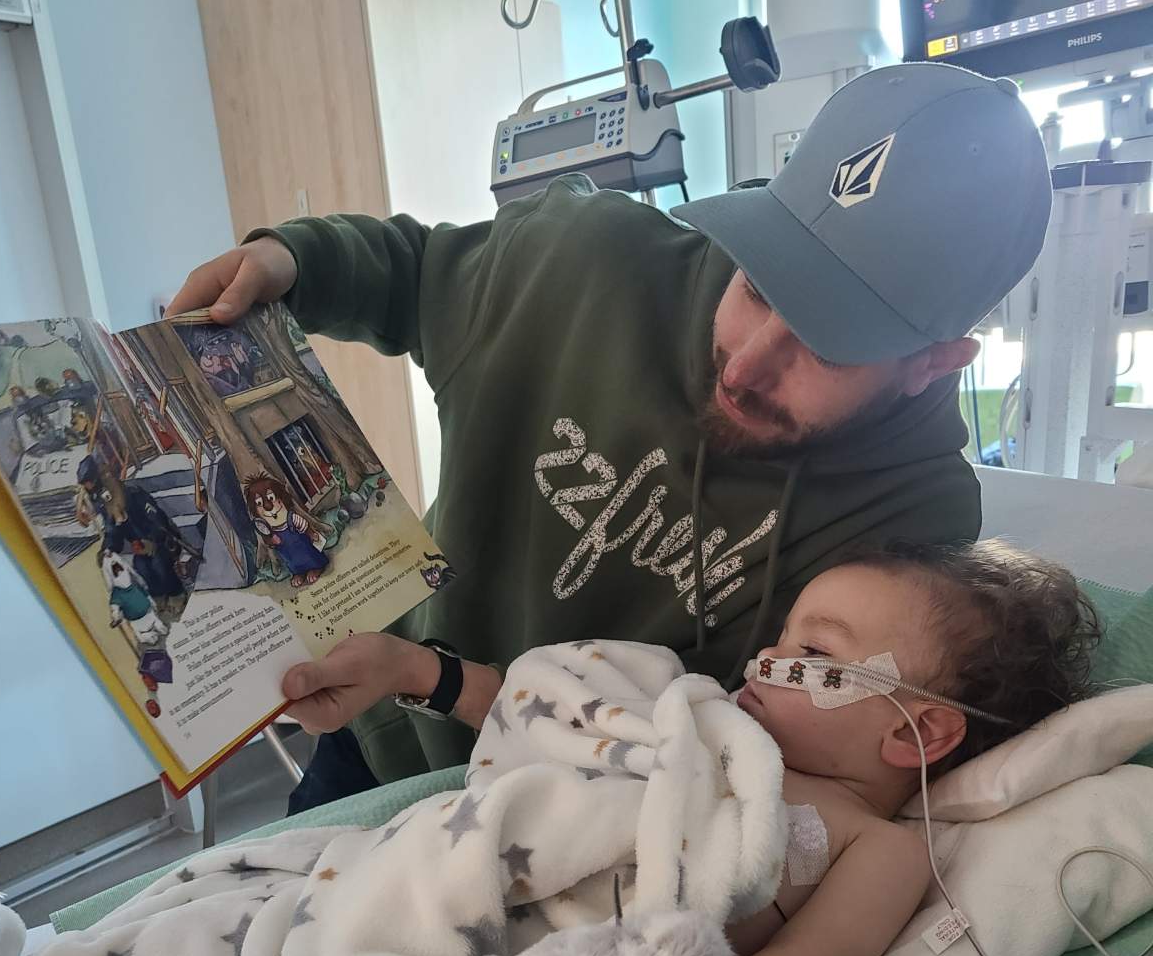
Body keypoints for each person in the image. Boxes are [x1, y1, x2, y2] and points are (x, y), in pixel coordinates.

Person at [166, 62, 1053, 811]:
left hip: (595, 814)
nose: (746, 365)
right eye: (755, 286)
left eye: (823, 344)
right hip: (385, 741)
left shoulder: (916, 521)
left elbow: (792, 757)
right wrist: (294, 261)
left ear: (934, 363)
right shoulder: (583, 259)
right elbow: (412, 273)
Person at [702, 538, 1100, 956]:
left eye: (814, 654)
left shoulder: (878, 850)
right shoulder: (706, 718)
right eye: (782, 638)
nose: (769, 659)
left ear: (917, 732)